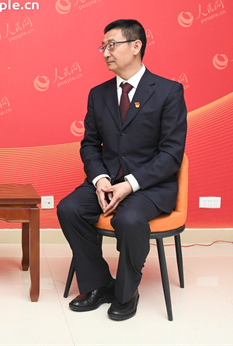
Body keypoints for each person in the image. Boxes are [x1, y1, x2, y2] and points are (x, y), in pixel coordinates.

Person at [57, 19, 187, 321]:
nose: (105, 53)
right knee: (69, 209)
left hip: (149, 186)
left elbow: (171, 154)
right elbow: (90, 145)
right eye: (103, 47)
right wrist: (100, 179)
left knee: (128, 219)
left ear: (136, 46)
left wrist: (129, 184)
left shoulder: (168, 91)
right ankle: (98, 284)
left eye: (112, 45)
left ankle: (127, 293)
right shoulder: (98, 94)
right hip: (106, 182)